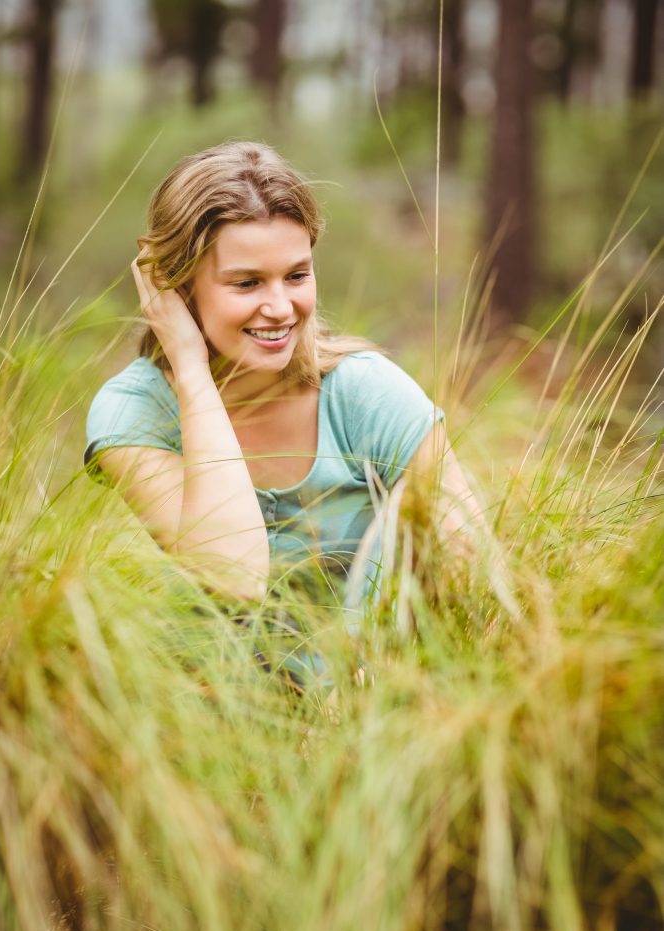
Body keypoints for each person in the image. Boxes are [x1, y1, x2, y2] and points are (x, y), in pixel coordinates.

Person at [84, 141, 486, 614]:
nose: (279, 308)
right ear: (178, 286)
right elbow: (233, 576)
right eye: (247, 283)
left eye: (296, 276)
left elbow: (473, 566)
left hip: (370, 683)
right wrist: (192, 371)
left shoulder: (365, 393)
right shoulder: (134, 412)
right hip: (202, 686)